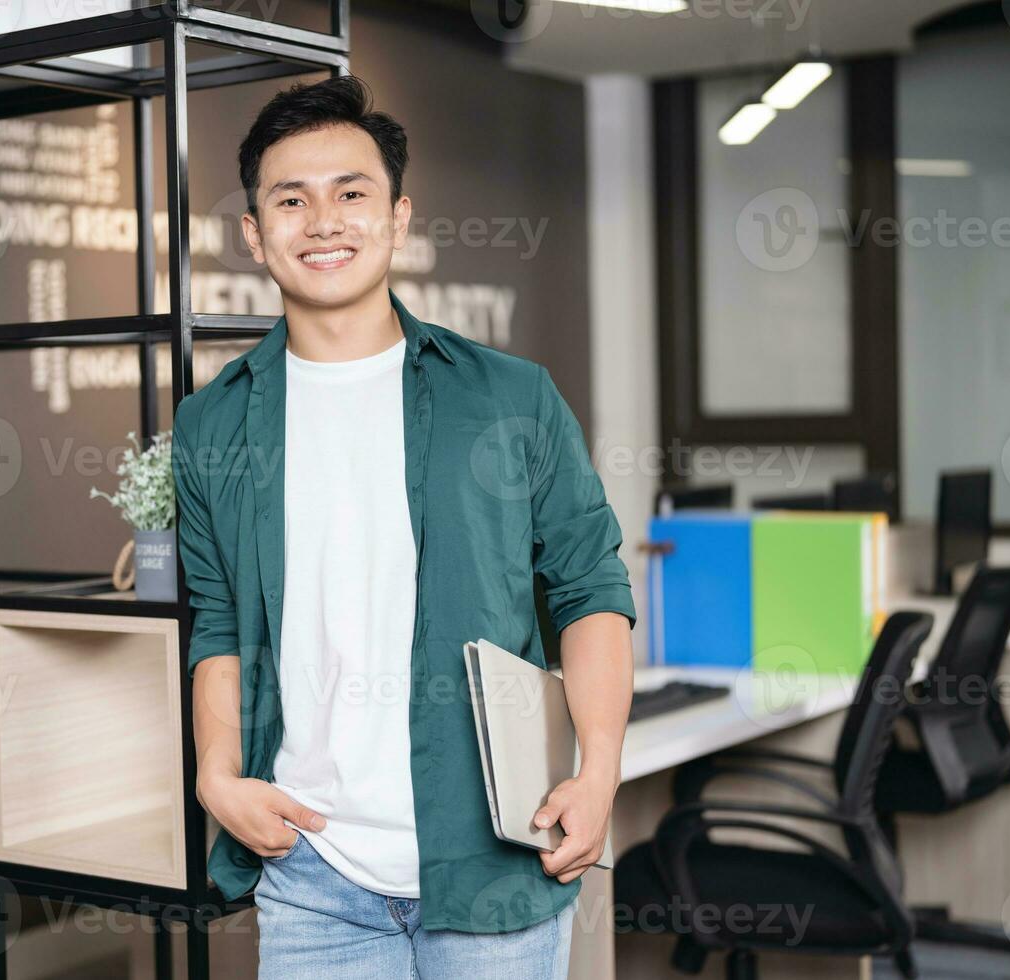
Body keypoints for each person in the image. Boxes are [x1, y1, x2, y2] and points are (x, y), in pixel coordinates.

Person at [170, 73, 635, 979]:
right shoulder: (212, 424)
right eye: (292, 201)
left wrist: (601, 765)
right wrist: (215, 773)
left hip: (494, 854)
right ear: (255, 237)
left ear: (398, 218)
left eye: (353, 194)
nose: (326, 220)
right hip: (310, 873)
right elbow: (218, 620)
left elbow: (589, 588)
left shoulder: (510, 398)